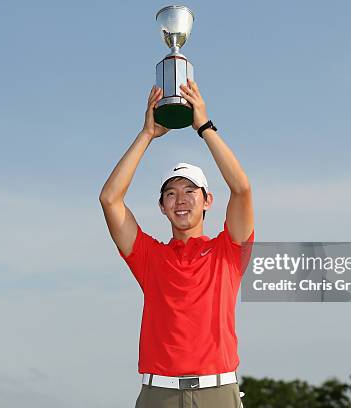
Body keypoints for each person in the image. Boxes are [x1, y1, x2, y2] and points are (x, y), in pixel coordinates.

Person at [99, 78, 254, 408]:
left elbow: (241, 189)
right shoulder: (149, 256)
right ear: (162, 206)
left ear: (208, 200)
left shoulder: (229, 250)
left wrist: (205, 126)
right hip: (159, 393)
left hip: (217, 392)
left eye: (189, 191)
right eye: (171, 193)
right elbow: (110, 199)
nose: (180, 200)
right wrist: (146, 136)